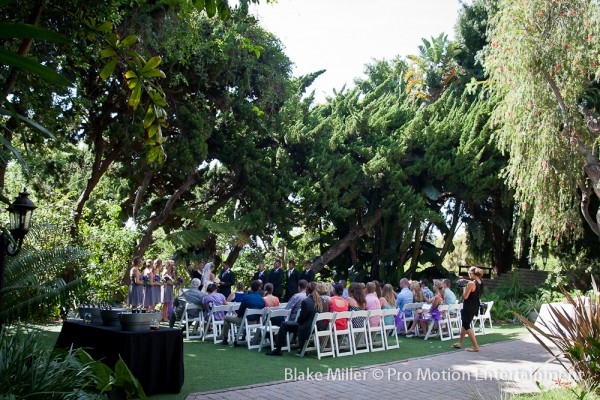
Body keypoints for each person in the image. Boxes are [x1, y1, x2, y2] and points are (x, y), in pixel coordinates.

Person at [265, 282, 327, 356]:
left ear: (307, 289)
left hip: (307, 327)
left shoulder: (306, 302)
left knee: (284, 324)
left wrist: (297, 321)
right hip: (318, 327)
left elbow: (301, 319)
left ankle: (278, 349)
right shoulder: (322, 301)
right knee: (289, 324)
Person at [221, 280, 265, 346]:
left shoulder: (246, 297)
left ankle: (225, 338)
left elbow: (240, 311)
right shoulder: (261, 298)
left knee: (226, 318)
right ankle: (243, 337)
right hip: (256, 321)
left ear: (251, 287)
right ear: (259, 288)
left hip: (244, 321)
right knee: (246, 317)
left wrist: (237, 315)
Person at [452, 266, 483, 352]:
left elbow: (465, 297)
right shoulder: (480, 282)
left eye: (469, 273)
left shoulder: (470, 284)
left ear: (473, 274)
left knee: (466, 325)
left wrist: (464, 287)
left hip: (468, 306)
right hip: (475, 305)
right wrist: (466, 281)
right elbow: (473, 283)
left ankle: (475, 346)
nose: (469, 275)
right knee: (465, 324)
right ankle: (459, 343)